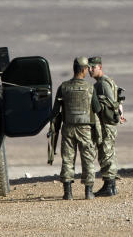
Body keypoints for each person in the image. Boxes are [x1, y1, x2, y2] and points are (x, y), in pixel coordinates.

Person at [52, 57, 100, 200]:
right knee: (88, 159)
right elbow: (97, 108)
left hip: (68, 128)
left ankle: (68, 193)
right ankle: (89, 192)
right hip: (85, 129)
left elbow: (55, 111)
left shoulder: (63, 87)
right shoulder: (90, 88)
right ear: (84, 70)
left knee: (67, 159)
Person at [89, 56, 124, 197]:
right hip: (109, 122)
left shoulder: (103, 84)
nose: (90, 70)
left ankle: (109, 186)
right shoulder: (105, 82)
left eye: (93, 67)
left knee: (106, 152)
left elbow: (111, 103)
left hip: (106, 123)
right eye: (89, 67)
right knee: (108, 152)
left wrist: (114, 114)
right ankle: (110, 185)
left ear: (100, 67)